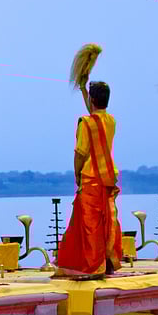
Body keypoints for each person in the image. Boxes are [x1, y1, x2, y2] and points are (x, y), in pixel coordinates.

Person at [56, 81, 124, 276]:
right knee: (107, 222)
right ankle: (107, 262)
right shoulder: (110, 121)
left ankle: (92, 265)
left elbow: (80, 153)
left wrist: (76, 173)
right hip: (107, 178)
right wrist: (85, 91)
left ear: (92, 100)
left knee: (89, 225)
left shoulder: (86, 123)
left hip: (91, 178)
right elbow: (95, 113)